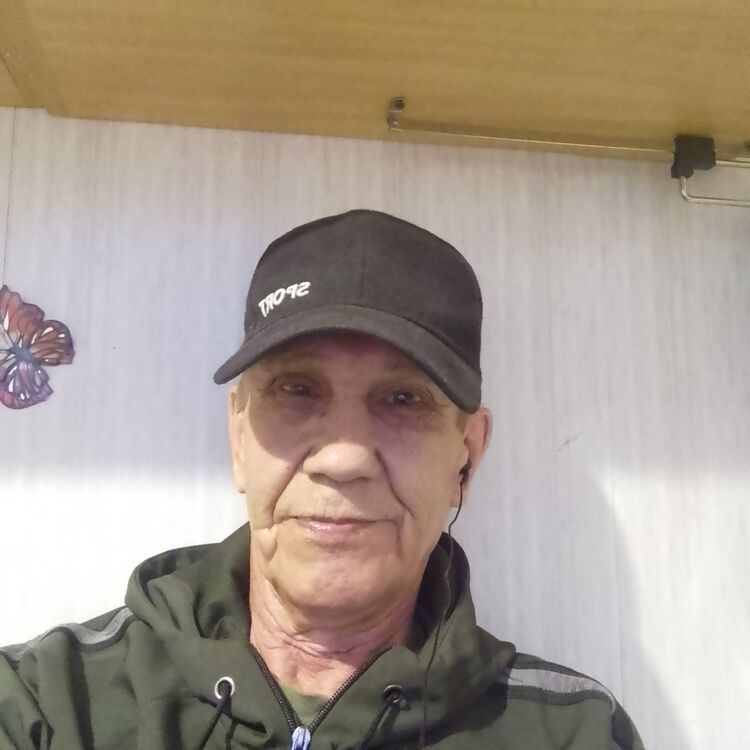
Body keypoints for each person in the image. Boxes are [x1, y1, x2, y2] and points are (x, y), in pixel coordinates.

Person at [0, 209, 644, 749]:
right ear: (238, 436)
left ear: (466, 458)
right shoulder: (47, 706)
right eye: (297, 389)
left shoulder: (573, 733)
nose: (342, 459)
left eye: (403, 400)